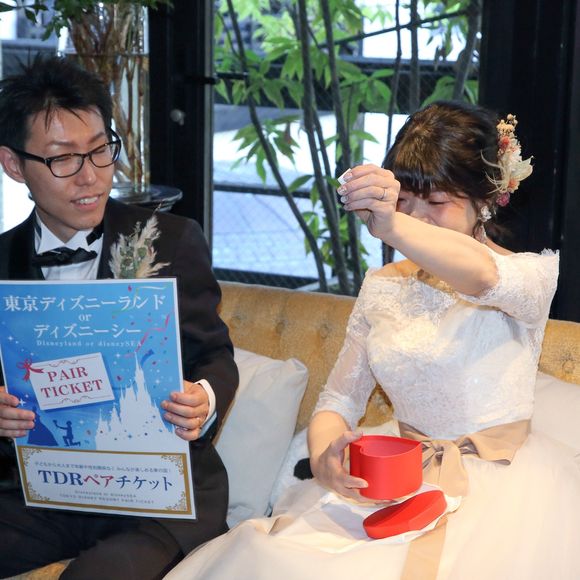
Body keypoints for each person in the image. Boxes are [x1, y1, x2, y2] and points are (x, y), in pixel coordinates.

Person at [164, 101, 580, 580]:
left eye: (436, 202)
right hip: (396, 483)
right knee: (270, 559)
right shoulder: (383, 287)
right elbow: (337, 400)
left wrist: (393, 225)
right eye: (405, 201)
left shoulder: (528, 276)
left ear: (484, 201)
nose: (417, 218)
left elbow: (481, 275)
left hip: (503, 496)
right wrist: (326, 459)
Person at [0, 56, 238, 579]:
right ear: (14, 165)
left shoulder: (171, 241)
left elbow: (215, 354)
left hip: (158, 493)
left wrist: (204, 397)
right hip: (42, 494)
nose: (91, 177)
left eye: (101, 150)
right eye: (63, 159)